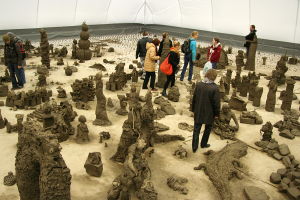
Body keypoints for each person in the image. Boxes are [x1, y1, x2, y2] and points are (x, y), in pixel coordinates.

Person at [191, 69, 220, 152]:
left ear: (206, 75)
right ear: (214, 77)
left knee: (196, 129)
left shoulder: (199, 85)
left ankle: (194, 147)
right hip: (209, 113)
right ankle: (203, 144)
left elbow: (194, 98)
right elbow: (216, 103)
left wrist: (193, 109)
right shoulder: (214, 88)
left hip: (199, 110)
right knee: (208, 128)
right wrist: (217, 114)